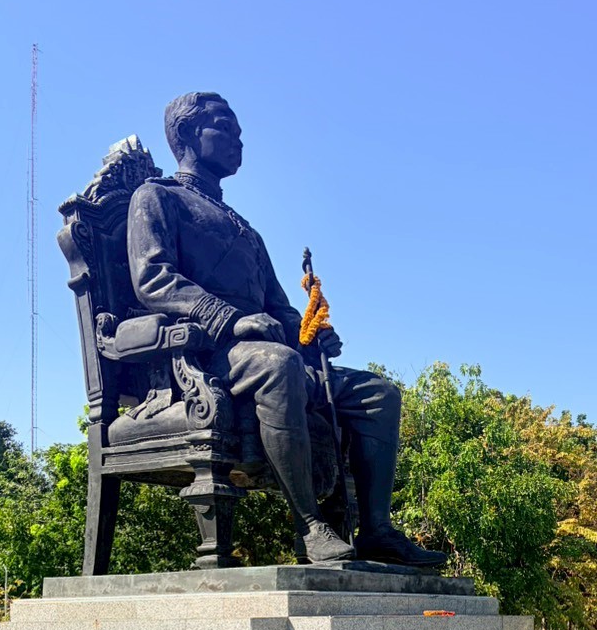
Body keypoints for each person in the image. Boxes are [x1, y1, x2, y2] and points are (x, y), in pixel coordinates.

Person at [127, 91, 446, 568]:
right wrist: (229, 318)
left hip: (270, 350)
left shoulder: (244, 229)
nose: (238, 140)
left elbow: (278, 306)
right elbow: (154, 279)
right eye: (225, 128)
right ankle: (311, 526)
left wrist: (310, 334)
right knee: (279, 365)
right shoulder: (157, 197)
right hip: (206, 353)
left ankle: (376, 529)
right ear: (189, 133)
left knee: (378, 394)